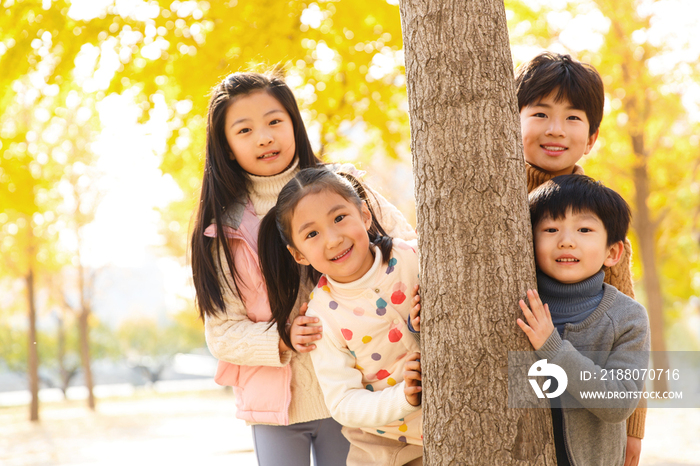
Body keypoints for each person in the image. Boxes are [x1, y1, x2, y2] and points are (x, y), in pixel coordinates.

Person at [190, 71, 415, 466]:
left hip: (358, 391)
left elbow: (409, 246)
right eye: (245, 130)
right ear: (226, 147)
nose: (264, 137)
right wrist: (281, 337)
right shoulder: (223, 233)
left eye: (275, 121)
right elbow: (222, 334)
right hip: (277, 407)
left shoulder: (342, 189)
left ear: (295, 124)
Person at [515, 51, 646, 465]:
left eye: (573, 117)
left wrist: (634, 432)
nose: (556, 130)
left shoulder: (601, 216)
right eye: (540, 113)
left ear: (591, 137)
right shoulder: (491, 197)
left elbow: (625, 319)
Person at [258, 168, 424, 466]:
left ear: (364, 215)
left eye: (339, 218)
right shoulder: (322, 316)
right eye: (312, 234)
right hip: (382, 445)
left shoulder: (413, 258)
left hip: (450, 425)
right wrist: (403, 398)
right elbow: (343, 401)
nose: (333, 239)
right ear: (298, 255)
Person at [517, 175, 651, 466]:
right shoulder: (518, 304)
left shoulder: (627, 317)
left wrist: (552, 348)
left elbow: (619, 402)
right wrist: (419, 326)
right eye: (551, 229)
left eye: (584, 229)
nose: (566, 241)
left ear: (612, 252)